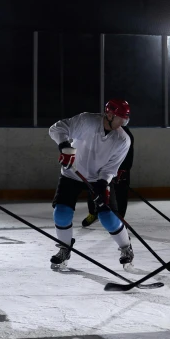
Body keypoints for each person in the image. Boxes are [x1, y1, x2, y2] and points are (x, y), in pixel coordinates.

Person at [47, 99, 133, 271]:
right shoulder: (86, 121)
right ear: (109, 114)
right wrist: (64, 147)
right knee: (61, 213)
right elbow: (57, 128)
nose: (123, 123)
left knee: (108, 217)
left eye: (125, 119)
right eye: (120, 118)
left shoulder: (123, 140)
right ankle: (65, 248)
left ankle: (126, 248)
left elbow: (111, 167)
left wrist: (103, 185)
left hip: (97, 179)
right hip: (72, 173)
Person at [82, 124, 134, 227]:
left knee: (121, 194)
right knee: (94, 191)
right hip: (99, 169)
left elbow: (128, 154)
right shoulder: (97, 131)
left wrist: (123, 170)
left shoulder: (125, 135)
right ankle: (93, 213)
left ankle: (120, 218)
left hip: (119, 169)